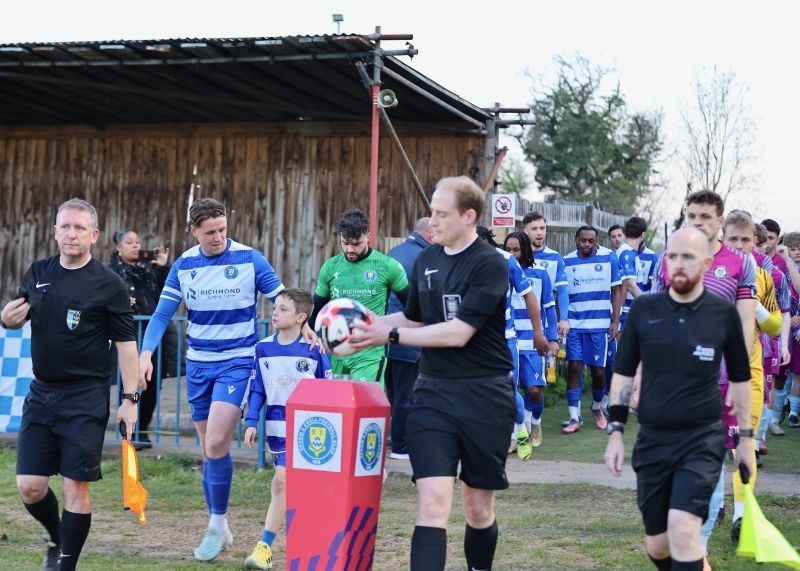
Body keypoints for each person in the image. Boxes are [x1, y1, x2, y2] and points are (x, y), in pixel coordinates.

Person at [349, 176, 515, 571]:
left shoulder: (490, 263)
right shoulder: (427, 260)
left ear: (469, 216)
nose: (432, 220)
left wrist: (389, 334)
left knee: (477, 508)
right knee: (432, 504)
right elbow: (414, 318)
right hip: (432, 394)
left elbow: (459, 333)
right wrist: (364, 326)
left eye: (442, 213)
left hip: (484, 395)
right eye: (432, 212)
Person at [138, 198, 313, 562]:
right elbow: (159, 316)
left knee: (217, 441)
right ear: (194, 231)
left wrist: (304, 323)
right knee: (209, 449)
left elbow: (282, 299)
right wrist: (145, 353)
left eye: (222, 230)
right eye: (210, 232)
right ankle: (221, 525)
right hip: (198, 366)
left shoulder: (250, 259)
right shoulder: (184, 266)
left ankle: (216, 526)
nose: (218, 237)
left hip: (237, 362)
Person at [604, 227, 755, 571]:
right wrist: (615, 430)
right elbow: (624, 373)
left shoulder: (722, 313)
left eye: (688, 256)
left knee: (684, 531)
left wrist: (745, 440)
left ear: (705, 262)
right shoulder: (644, 309)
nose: (678, 263)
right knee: (658, 545)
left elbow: (740, 378)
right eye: (672, 256)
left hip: (701, 439)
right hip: (654, 440)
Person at [0, 198, 139, 571]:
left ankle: (66, 563)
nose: (71, 234)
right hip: (42, 394)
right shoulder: (38, 271)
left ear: (93, 235)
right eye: (65, 226)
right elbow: (16, 315)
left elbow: (127, 347)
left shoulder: (109, 285)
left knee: (75, 486)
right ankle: (56, 536)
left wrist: (130, 399)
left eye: (80, 228)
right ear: (55, 231)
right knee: (29, 485)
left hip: (86, 396)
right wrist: (6, 320)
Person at [243, 288, 331, 570]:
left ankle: (268, 545)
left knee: (287, 482)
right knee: (285, 483)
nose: (274, 313)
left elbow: (327, 390)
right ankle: (271, 548)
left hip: (310, 429)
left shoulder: (314, 350)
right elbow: (257, 389)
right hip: (276, 428)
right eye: (275, 308)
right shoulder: (263, 348)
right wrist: (251, 421)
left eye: (282, 309)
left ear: (301, 317)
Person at [715, 211, 782, 547]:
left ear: (755, 243)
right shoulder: (709, 272)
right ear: (722, 238)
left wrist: (755, 308)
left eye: (746, 240)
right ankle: (716, 505)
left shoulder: (763, 276)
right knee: (713, 445)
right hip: (711, 372)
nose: (739, 245)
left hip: (749, 373)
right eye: (733, 239)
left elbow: (776, 326)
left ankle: (742, 515)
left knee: (746, 445)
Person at [312, 208, 409, 386]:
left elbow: (411, 306)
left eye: (356, 244)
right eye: (345, 243)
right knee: (338, 407)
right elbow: (317, 308)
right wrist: (310, 332)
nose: (349, 249)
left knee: (364, 403)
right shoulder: (330, 267)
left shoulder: (387, 266)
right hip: (337, 349)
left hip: (369, 350)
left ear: (367, 237)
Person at [476, 225, 548, 461]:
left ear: (488, 242)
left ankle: (522, 430)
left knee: (508, 389)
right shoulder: (461, 259)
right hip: (471, 339)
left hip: (503, 339)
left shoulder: (507, 261)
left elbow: (529, 296)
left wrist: (539, 333)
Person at [108, 228, 173, 450]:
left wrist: (162, 266)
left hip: (154, 336)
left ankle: (142, 431)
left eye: (137, 241)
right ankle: (128, 433)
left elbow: (169, 292)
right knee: (132, 382)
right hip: (129, 334)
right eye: (129, 242)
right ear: (118, 248)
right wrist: (121, 299)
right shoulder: (112, 273)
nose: (135, 245)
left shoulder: (148, 270)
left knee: (152, 384)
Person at [562, 226, 622, 434]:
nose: (587, 245)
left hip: (599, 326)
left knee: (598, 372)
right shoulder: (566, 261)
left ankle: (597, 407)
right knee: (574, 367)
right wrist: (563, 320)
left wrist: (615, 321)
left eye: (591, 241)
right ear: (576, 239)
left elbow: (616, 291)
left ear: (597, 241)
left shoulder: (609, 259)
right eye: (583, 241)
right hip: (575, 325)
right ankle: (573, 417)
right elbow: (562, 294)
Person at [504, 231, 558, 447]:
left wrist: (551, 338)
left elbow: (549, 308)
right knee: (511, 390)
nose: (511, 254)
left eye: (516, 250)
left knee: (534, 389)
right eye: (508, 249)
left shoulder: (540, 274)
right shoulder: (501, 270)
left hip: (533, 341)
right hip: (510, 339)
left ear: (525, 250)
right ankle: (516, 435)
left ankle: (535, 422)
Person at [385, 217, 433, 459]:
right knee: (405, 392)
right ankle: (401, 446)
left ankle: (391, 437)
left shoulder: (394, 252)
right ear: (430, 234)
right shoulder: (424, 259)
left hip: (385, 334)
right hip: (409, 334)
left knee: (391, 391)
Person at [523, 212, 570, 338]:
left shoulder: (555, 258)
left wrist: (564, 319)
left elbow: (562, 291)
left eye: (542, 228)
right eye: (534, 229)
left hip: (544, 324)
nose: (539, 232)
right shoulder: (517, 257)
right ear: (525, 231)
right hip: (518, 323)